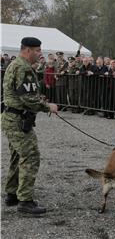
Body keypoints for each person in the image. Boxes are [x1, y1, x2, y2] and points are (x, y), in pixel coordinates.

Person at [2, 37, 58, 215]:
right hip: (17, 120)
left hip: (12, 117)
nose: (40, 54)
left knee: (18, 156)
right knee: (31, 156)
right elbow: (28, 98)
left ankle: (12, 194)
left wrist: (39, 100)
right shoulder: (23, 68)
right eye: (37, 50)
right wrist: (47, 106)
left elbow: (24, 94)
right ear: (27, 50)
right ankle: (25, 201)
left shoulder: (16, 64)